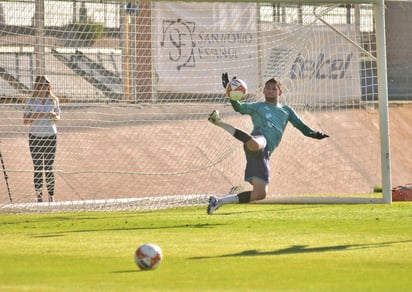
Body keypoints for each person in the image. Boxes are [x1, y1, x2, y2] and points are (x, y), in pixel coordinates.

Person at [207, 73, 329, 214]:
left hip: (264, 153)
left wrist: (314, 134)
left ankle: (219, 201)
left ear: (280, 92)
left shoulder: (287, 111)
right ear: (264, 91)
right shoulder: (258, 107)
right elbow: (239, 108)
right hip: (257, 140)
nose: (270, 90)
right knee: (256, 143)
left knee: (260, 194)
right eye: (268, 88)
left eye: (274, 88)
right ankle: (218, 122)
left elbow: (301, 127)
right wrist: (231, 94)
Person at [23, 75, 61, 202]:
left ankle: (51, 196)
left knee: (49, 167)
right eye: (40, 84)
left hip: (50, 136)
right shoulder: (31, 101)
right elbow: (25, 120)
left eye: (45, 84)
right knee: (38, 167)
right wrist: (35, 115)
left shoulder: (53, 100)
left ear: (49, 86)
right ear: (36, 86)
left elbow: (58, 118)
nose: (43, 87)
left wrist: (53, 115)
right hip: (35, 137)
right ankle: (39, 196)